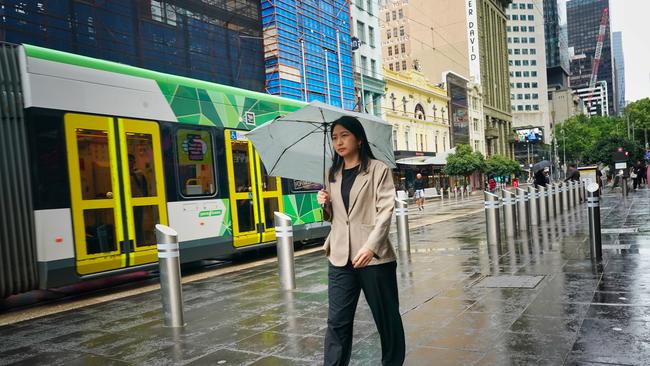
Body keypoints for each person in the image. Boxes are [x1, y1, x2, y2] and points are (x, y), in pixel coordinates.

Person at [317, 116, 405, 366]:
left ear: (359, 138)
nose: (338, 142)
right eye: (334, 137)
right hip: (339, 256)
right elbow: (336, 218)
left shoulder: (378, 169)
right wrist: (325, 205)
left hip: (373, 258)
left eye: (344, 135)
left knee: (386, 319)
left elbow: (385, 211)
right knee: (337, 322)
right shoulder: (331, 174)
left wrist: (371, 247)